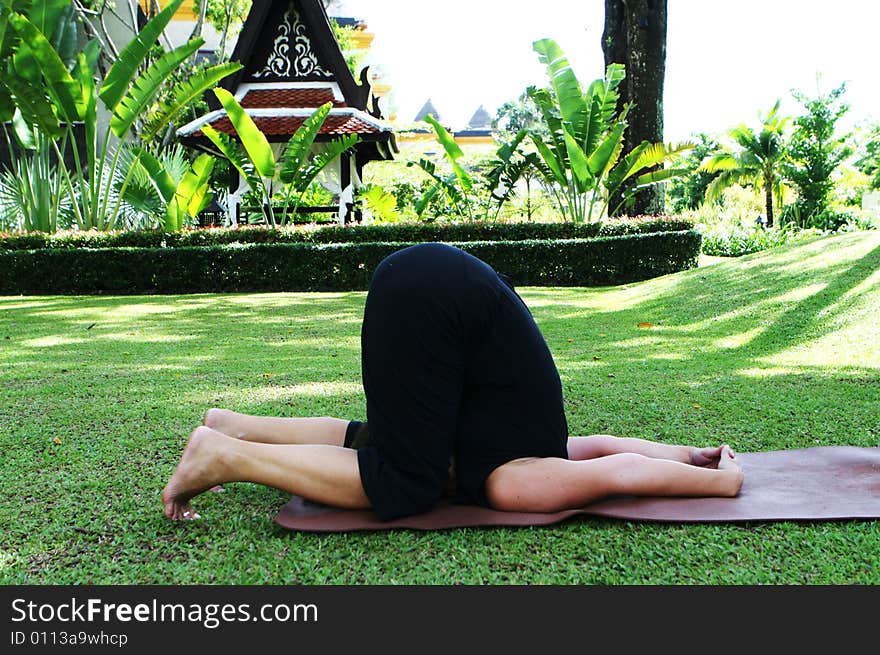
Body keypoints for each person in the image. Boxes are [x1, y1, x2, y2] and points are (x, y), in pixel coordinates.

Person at [162, 243, 743, 521]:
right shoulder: (518, 481)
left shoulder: (538, 444)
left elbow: (610, 449)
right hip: (443, 303)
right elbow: (617, 471)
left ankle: (233, 430)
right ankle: (222, 455)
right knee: (409, 480)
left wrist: (691, 455)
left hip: (431, 279)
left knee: (393, 445)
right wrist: (721, 484)